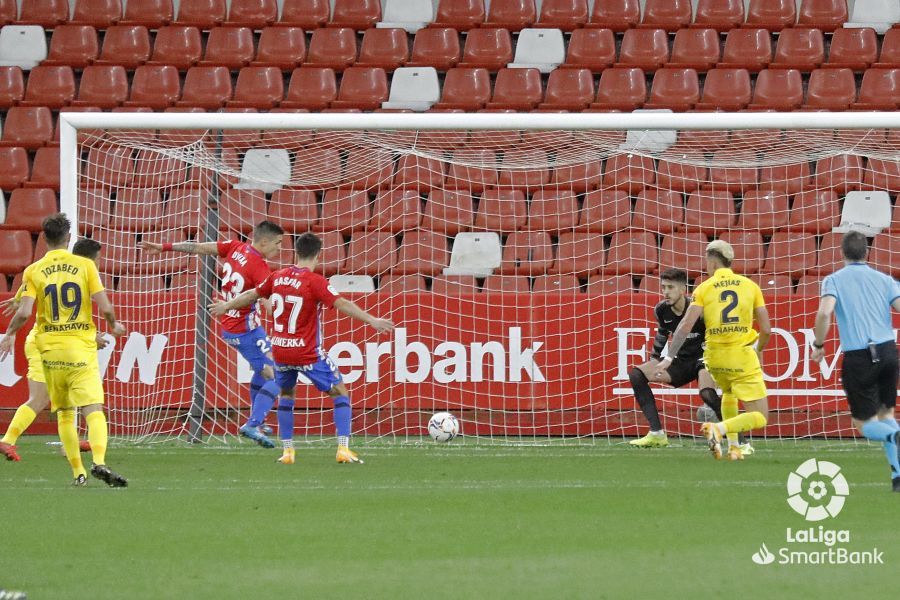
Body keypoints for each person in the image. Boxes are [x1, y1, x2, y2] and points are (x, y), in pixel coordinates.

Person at [210, 232, 394, 465]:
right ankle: (343, 449)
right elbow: (343, 304)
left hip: (280, 351)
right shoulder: (315, 281)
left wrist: (227, 305)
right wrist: (372, 320)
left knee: (287, 394)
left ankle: (288, 452)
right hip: (306, 352)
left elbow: (251, 295)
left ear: (296, 252)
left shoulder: (277, 276)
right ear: (318, 254)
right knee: (340, 391)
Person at [0, 214, 127, 486]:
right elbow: (104, 307)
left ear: (43, 239)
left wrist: (9, 333)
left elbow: (24, 311)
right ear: (69, 238)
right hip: (79, 347)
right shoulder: (83, 265)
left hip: (49, 350)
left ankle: (78, 473)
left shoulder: (34, 269)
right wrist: (114, 325)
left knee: (65, 413)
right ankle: (100, 462)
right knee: (93, 408)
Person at [141, 220, 285, 447]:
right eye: (278, 243)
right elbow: (268, 301)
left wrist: (164, 247)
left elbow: (199, 247)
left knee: (263, 370)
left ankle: (258, 420)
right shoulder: (260, 267)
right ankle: (253, 423)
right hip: (244, 330)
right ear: (264, 241)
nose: (279, 249)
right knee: (277, 376)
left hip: (238, 326)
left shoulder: (235, 247)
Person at [656, 240, 771, 461]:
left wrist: (669, 356)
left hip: (714, 358)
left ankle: (734, 448)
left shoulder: (704, 288)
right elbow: (766, 328)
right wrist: (758, 349)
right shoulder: (750, 286)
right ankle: (719, 429)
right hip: (741, 355)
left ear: (712, 262)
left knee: (728, 394)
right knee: (760, 417)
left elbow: (685, 325)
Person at [0, 239, 108, 462]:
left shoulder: (56, 272)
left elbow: (33, 283)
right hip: (46, 344)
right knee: (41, 399)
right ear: (89, 260)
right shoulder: (83, 275)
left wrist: (19, 297)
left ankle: (70, 444)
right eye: (98, 259)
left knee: (67, 399)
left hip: (57, 344)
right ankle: (8, 440)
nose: (99, 263)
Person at [811, 231, 900, 492]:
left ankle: (894, 436)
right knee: (887, 414)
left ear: (841, 252)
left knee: (864, 424)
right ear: (867, 253)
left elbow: (825, 312)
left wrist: (818, 344)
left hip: (860, 356)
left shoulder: (834, 280)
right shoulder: (885, 280)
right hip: (887, 351)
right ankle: (897, 475)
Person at [630, 268, 739, 451]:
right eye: (663, 287)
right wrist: (654, 360)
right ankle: (657, 434)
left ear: (682, 290)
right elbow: (662, 335)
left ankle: (738, 438)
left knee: (707, 394)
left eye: (670, 287)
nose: (665, 292)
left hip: (704, 358)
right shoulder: (661, 310)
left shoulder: (699, 310)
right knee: (636, 374)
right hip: (681, 362)